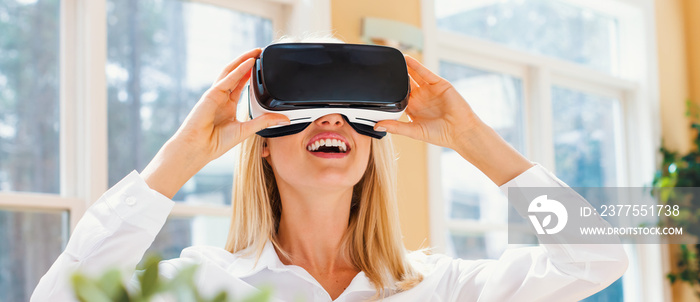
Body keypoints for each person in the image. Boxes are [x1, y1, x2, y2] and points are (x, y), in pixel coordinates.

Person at [32, 43, 628, 301]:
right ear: (263, 143)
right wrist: (180, 156)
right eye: (306, 108)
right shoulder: (207, 285)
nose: (332, 121)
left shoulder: (439, 288)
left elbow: (598, 258)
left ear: (373, 140)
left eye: (350, 110)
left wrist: (472, 139)